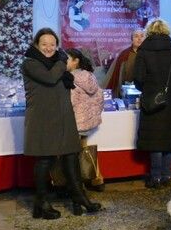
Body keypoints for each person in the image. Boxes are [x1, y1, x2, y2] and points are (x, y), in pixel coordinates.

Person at [23, 28, 102, 219]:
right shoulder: (30, 63)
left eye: (53, 44)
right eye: (44, 44)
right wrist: (62, 61)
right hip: (43, 118)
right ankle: (41, 203)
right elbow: (50, 78)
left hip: (64, 117)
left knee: (71, 155)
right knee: (45, 160)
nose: (49, 48)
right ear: (36, 45)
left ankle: (79, 197)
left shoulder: (57, 63)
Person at [135, 19, 171, 189]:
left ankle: (155, 177)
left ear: (149, 32)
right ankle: (167, 175)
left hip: (151, 101)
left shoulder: (143, 53)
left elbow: (138, 79)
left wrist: (149, 88)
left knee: (154, 139)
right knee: (168, 138)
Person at [66, 48, 106, 192]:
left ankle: (77, 184)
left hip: (74, 122)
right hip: (87, 123)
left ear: (75, 61)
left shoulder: (69, 79)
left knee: (74, 154)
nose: (63, 62)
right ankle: (97, 179)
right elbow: (100, 98)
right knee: (85, 150)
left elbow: (69, 102)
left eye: (66, 59)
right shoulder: (90, 76)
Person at [104, 29, 146, 98]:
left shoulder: (149, 54)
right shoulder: (124, 54)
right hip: (126, 90)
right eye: (136, 36)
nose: (139, 38)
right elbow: (117, 77)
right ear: (132, 39)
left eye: (142, 36)